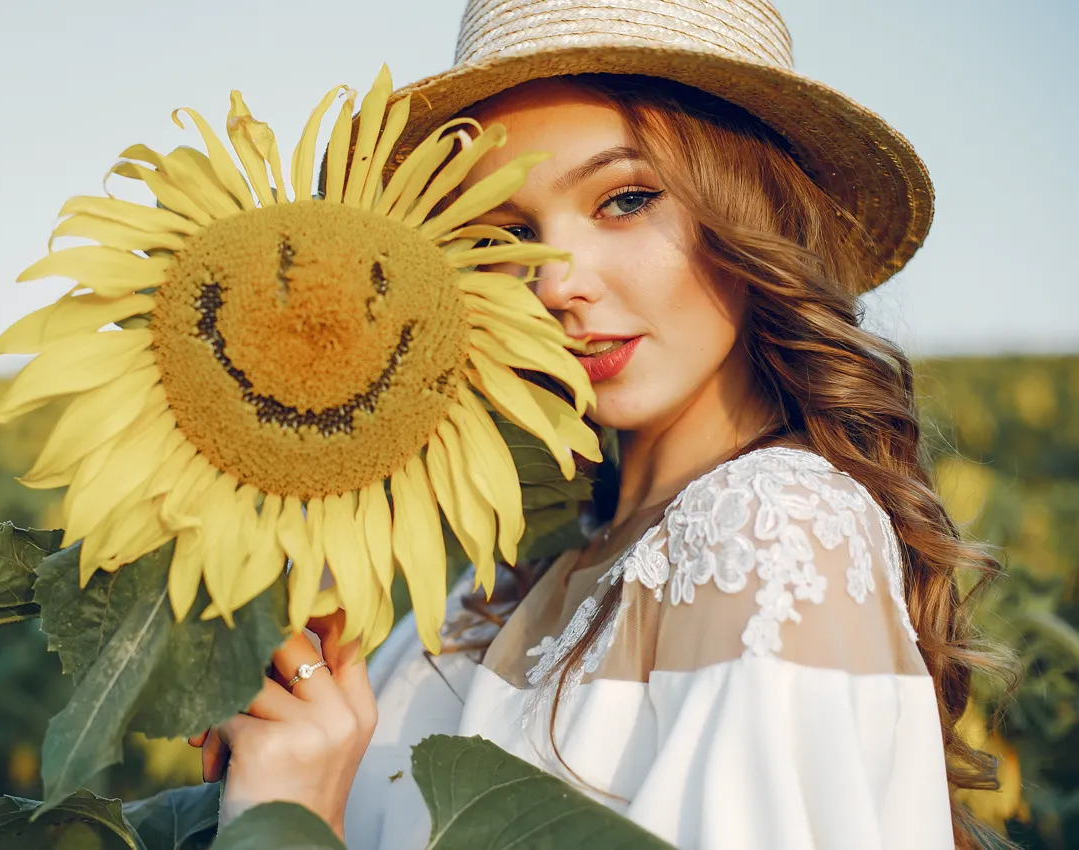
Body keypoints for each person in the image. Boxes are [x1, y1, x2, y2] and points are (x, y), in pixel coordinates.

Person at [190, 1, 1011, 847]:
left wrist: (293, 825)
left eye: (624, 199)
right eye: (510, 236)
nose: (555, 283)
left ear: (752, 211)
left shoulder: (773, 532)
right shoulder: (498, 579)